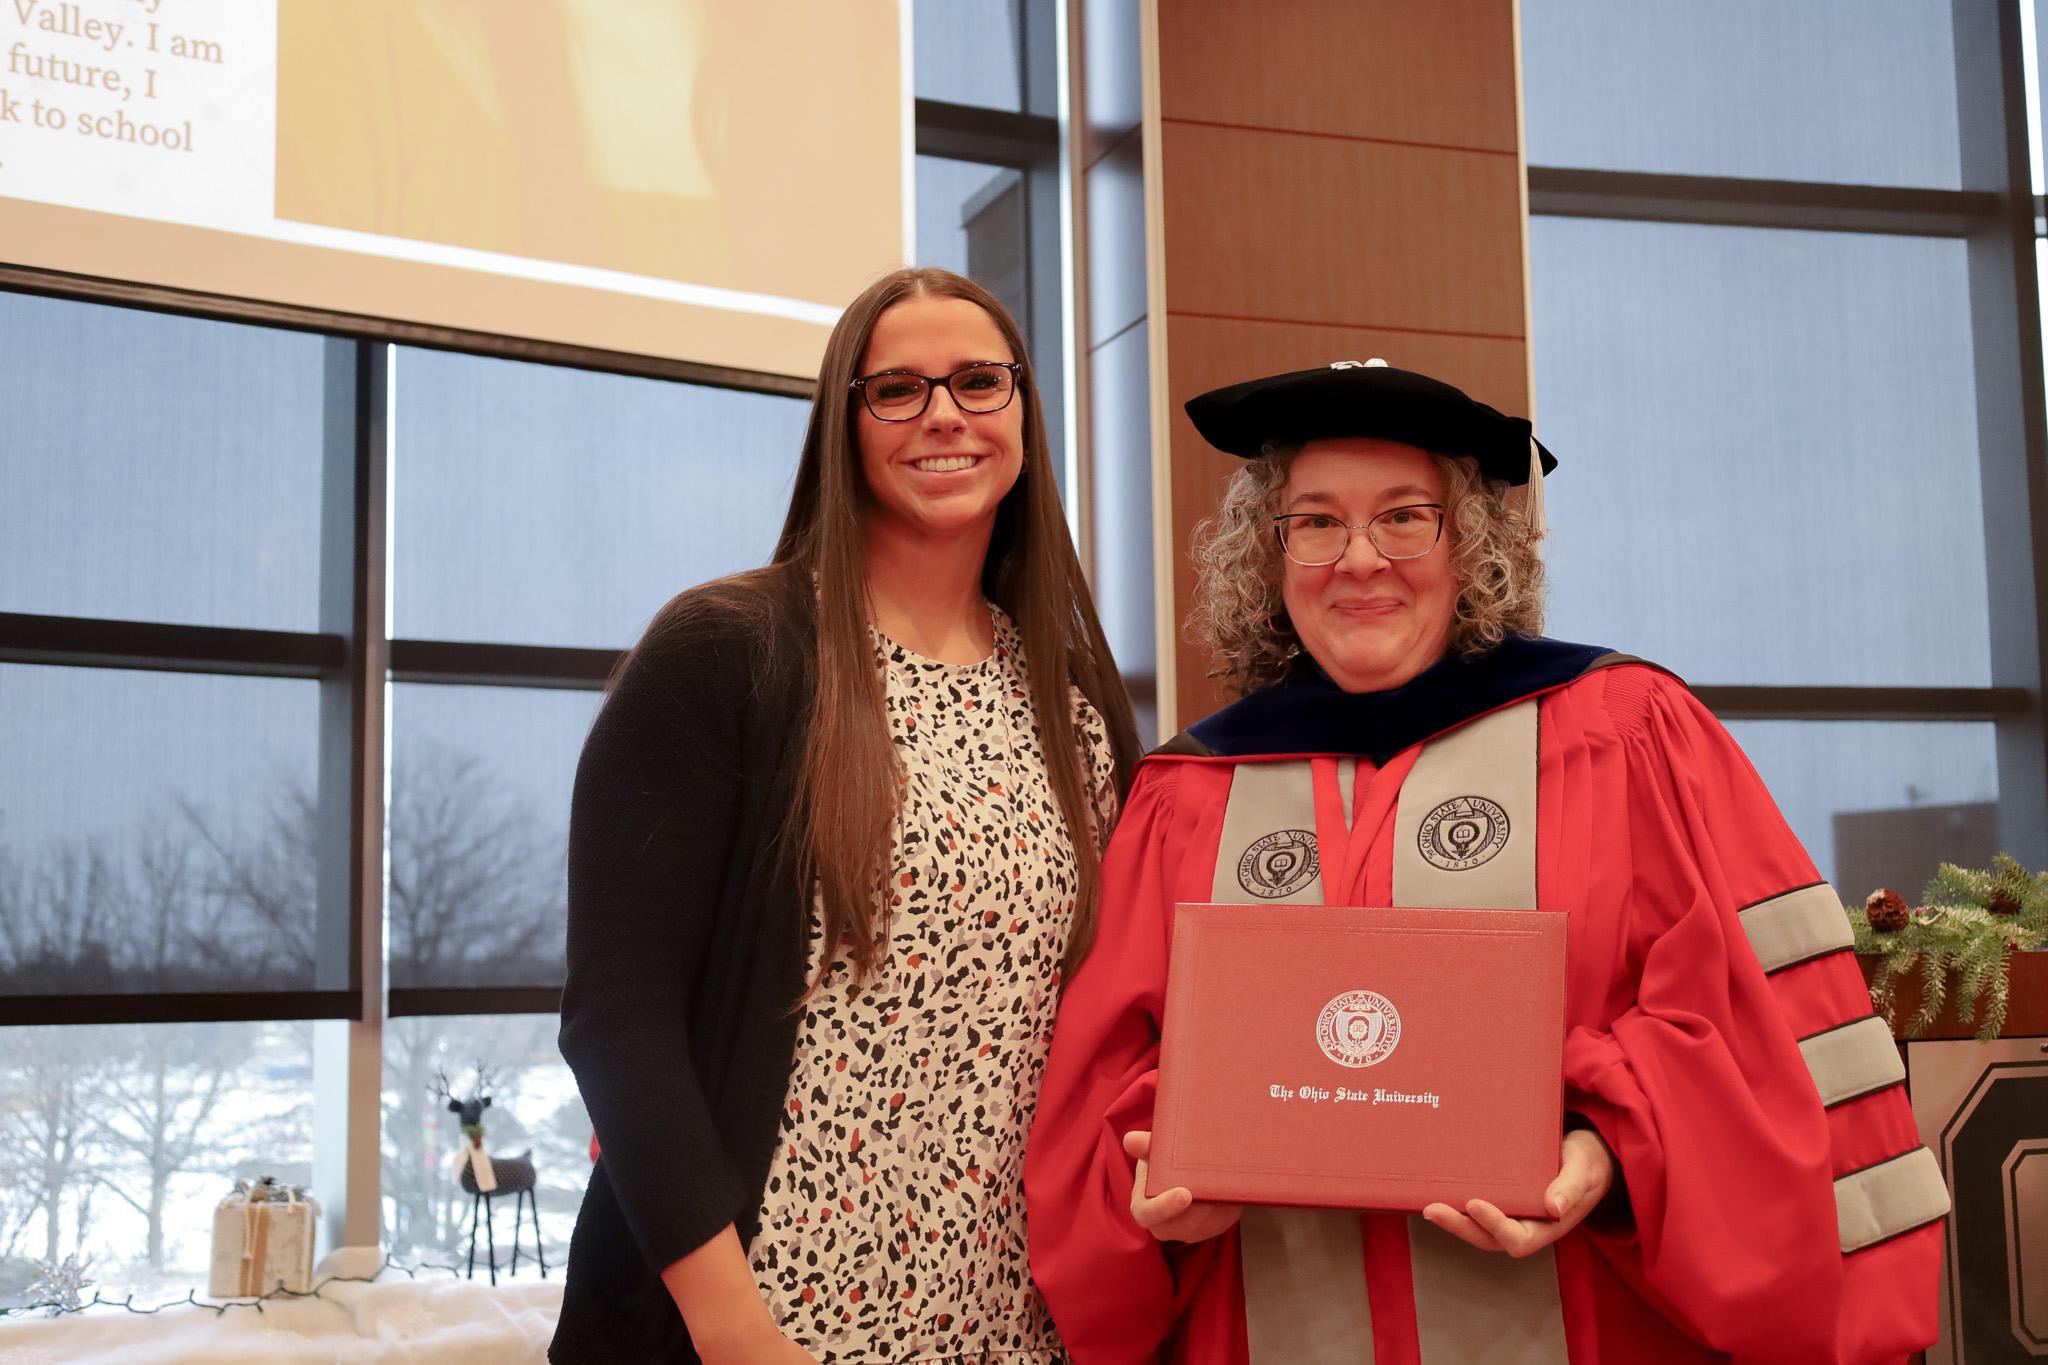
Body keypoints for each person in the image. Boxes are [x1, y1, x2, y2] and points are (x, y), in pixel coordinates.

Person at [1022, 361, 1948, 1364]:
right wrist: (1157, 1182)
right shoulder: (1190, 790)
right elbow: (1103, 1092)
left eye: (1404, 517)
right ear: (1270, 554)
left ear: (1470, 545)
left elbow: (1755, 1024)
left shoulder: (1628, 732)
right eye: (1316, 522)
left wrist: (1611, 1148)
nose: (1359, 559)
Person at [552, 267, 1142, 1364]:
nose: (944, 416)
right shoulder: (728, 652)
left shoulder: (1072, 699)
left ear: (1021, 411)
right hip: (761, 1326)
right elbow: (618, 1019)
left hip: (1012, 1327)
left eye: (979, 382)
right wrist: (734, 1333)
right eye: (898, 390)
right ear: (844, 423)